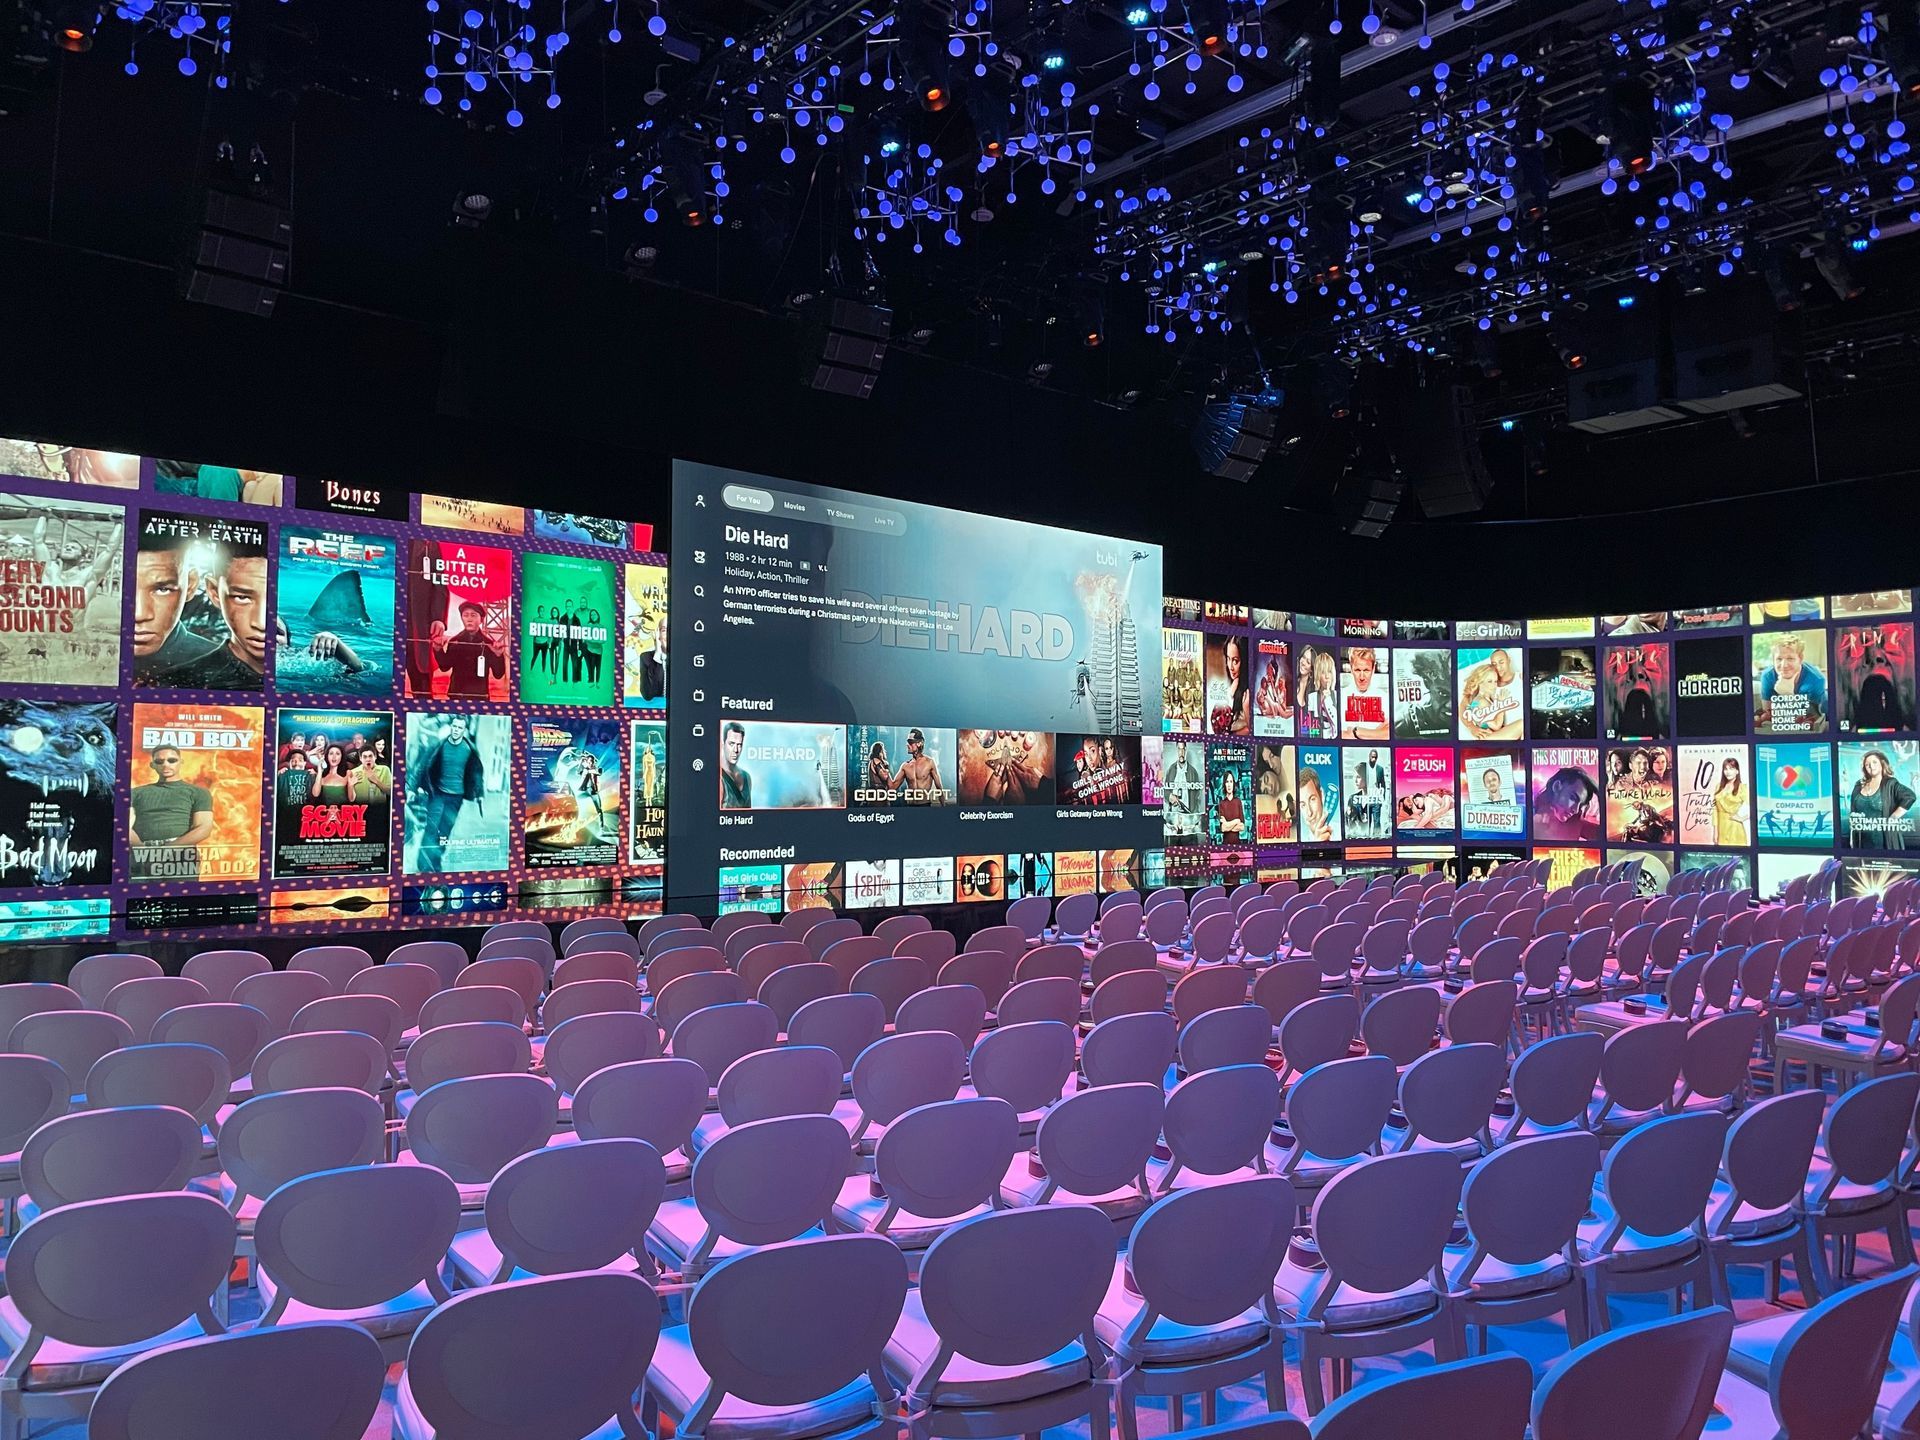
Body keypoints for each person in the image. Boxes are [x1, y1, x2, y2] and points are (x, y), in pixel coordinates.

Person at [152, 542, 268, 690]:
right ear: (214, 592)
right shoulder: (174, 685)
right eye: (242, 597)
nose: (261, 623)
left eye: (276, 601)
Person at [410, 717, 489, 871]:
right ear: (451, 727)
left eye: (460, 728)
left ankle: (436, 862)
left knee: (445, 831)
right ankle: (423, 864)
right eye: (454, 726)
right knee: (432, 828)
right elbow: (422, 766)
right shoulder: (439, 746)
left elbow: (477, 773)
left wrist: (479, 793)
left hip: (456, 798)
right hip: (437, 794)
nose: (456, 730)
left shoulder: (469, 749)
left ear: (464, 730)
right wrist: (412, 788)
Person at [129, 744, 214, 881]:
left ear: (181, 762)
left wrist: (165, 851)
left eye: (172, 760)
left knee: (180, 900)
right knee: (140, 899)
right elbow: (125, 826)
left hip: (181, 855)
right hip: (142, 856)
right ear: (152, 765)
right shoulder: (136, 793)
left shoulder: (198, 792)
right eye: (159, 761)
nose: (165, 764)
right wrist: (144, 852)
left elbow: (204, 828)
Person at [431, 600, 508, 699]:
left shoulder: (489, 645)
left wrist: (498, 656)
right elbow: (444, 667)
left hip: (479, 697)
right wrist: (438, 650)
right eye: (465, 615)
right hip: (456, 695)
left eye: (473, 615)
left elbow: (498, 674)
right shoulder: (455, 641)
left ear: (481, 620)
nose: (469, 619)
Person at [1757, 634, 1827, 732]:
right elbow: (1767, 715)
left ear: (1800, 658)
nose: (1784, 665)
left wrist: (1788, 695)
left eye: (1790, 658)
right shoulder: (1767, 676)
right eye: (1779, 659)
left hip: (1823, 709)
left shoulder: (1816, 679)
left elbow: (1810, 721)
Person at [1850, 749, 1915, 849]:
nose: (1871, 766)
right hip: (1862, 843)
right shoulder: (1858, 785)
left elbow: (1910, 796)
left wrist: (1893, 817)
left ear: (1882, 764)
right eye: (1867, 764)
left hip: (1886, 843)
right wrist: (1852, 837)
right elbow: (1853, 814)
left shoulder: (1890, 784)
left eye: (1874, 762)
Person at [1340, 646, 1390, 740]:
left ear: (1373, 668)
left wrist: (1356, 731)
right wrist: (1377, 733)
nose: (1362, 677)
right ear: (1351, 668)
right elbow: (1339, 735)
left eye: (1366, 670)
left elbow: (1389, 734)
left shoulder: (1385, 698)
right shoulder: (1341, 697)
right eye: (1357, 670)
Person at [889, 727, 947, 805]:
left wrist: (944, 807)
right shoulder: (905, 766)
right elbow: (892, 787)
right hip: (910, 808)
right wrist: (885, 771)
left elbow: (939, 788)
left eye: (910, 742)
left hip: (925, 806)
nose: (907, 745)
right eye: (907, 742)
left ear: (919, 743)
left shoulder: (929, 762)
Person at [1215, 636, 1251, 735]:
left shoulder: (1248, 692)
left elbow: (1251, 730)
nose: (1230, 667)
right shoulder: (1232, 682)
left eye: (1235, 661)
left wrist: (1230, 736)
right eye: (1228, 659)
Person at [1713, 756, 1747, 846]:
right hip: (1721, 827)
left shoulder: (1742, 788)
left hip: (1735, 828)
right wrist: (1715, 831)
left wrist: (1742, 818)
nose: (1728, 772)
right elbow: (1714, 810)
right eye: (1726, 769)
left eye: (1731, 769)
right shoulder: (1718, 787)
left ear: (1737, 771)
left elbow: (1756, 807)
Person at [720, 722, 753, 809]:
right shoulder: (719, 779)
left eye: (739, 745)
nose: (736, 750)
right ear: (723, 744)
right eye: (731, 744)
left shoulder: (746, 777)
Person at [1298, 766, 1334, 842]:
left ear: (1321, 795)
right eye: (1303, 805)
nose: (1309, 813)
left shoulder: (1340, 832)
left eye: (1312, 799)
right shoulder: (1301, 840)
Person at [639, 613, 667, 702]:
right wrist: (658, 654)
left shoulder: (685, 659)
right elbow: (648, 695)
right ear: (658, 634)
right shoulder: (645, 658)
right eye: (664, 630)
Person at [1215, 767, 1245, 842]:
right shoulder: (1222, 803)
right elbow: (1223, 828)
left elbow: (1242, 827)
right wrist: (1236, 821)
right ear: (1224, 784)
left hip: (1237, 844)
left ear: (1233, 784)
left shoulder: (1238, 802)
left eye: (1231, 782)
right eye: (1227, 782)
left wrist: (1228, 824)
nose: (1229, 785)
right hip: (1225, 844)